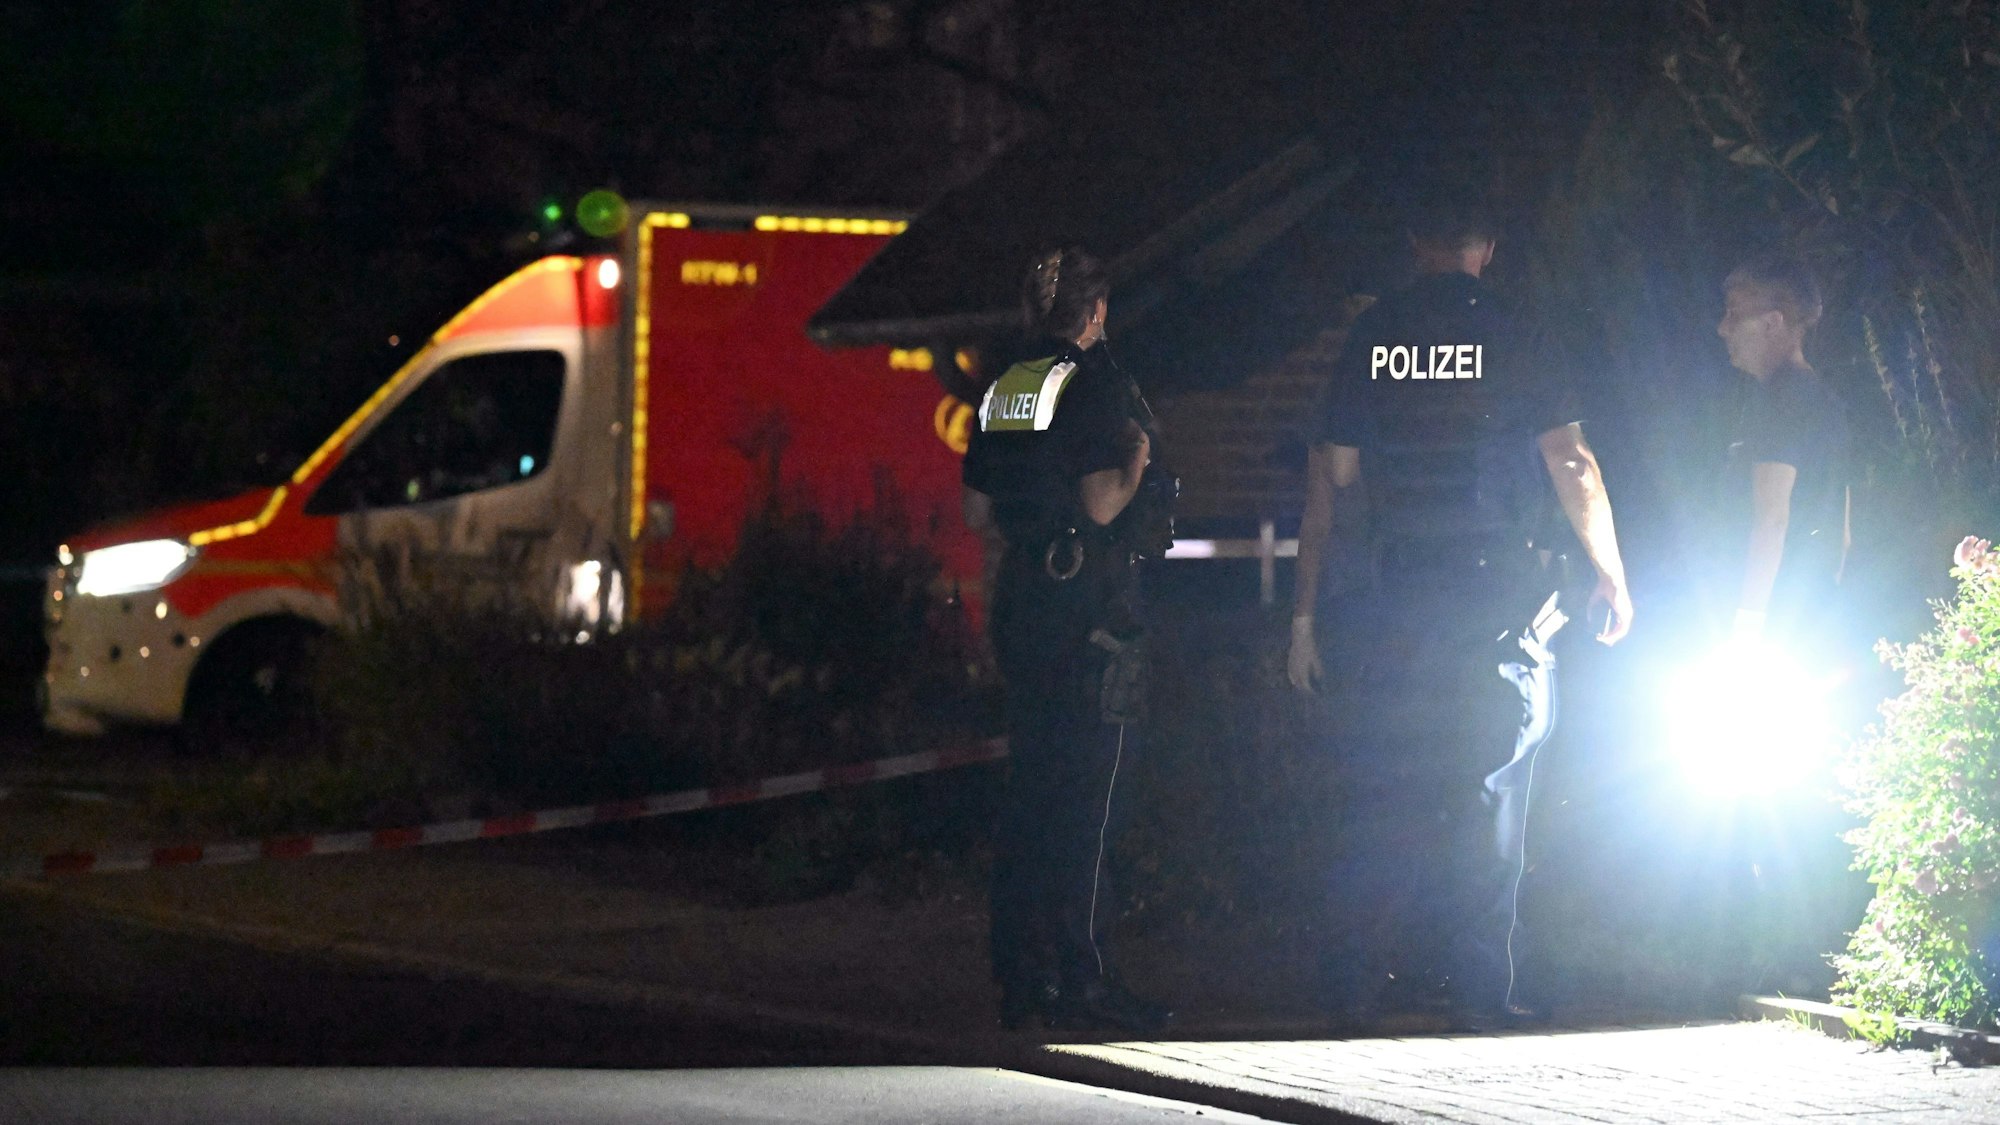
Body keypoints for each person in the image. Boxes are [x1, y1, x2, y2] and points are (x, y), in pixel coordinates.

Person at [1285, 198, 1633, 1025]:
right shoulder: (1518, 328)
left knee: (1386, 789)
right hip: (1490, 597)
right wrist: (1611, 573)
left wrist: (1303, 615)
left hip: (1397, 595)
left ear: (1418, 242)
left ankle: (1353, 988)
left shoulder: (1376, 334)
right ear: (1490, 245)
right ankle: (1480, 993)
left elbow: (1331, 476)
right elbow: (1572, 463)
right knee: (1492, 788)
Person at [962, 245, 1174, 1032]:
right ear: (1094, 313)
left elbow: (976, 515)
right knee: (1089, 802)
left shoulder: (1009, 386)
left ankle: (1024, 975)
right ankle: (1087, 978)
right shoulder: (1100, 384)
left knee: (1030, 798)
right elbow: (1103, 503)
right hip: (1088, 605)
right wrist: (1141, 455)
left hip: (1024, 600)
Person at [1713, 254, 1851, 649]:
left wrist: (1747, 625)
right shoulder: (1826, 401)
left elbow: (1771, 518)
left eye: (1734, 314)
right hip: (1812, 617)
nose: (1723, 328)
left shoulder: (1780, 401)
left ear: (1773, 323)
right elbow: (1842, 535)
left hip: (1768, 622)